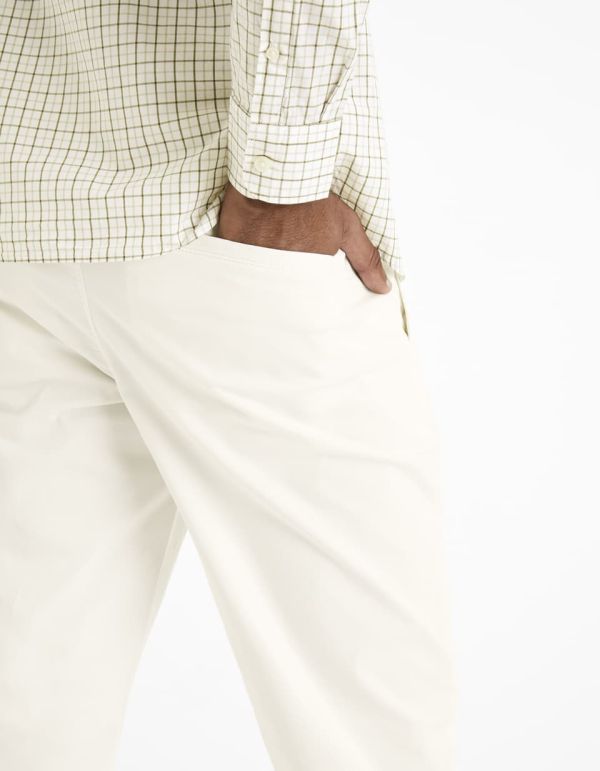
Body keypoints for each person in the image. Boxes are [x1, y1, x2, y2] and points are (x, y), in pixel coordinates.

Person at [0, 2, 456, 769]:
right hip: (217, 222)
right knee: (372, 733)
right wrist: (285, 184)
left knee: (27, 710)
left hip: (28, 214)